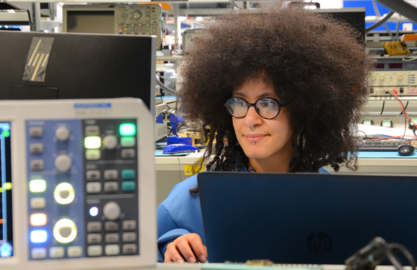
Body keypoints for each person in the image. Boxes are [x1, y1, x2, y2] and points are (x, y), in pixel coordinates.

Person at [157, 3, 370, 263]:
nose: (250, 120)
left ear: (304, 109)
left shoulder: (332, 200)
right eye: (239, 102)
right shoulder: (189, 201)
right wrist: (172, 244)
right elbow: (145, 252)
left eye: (267, 103)